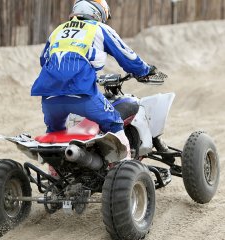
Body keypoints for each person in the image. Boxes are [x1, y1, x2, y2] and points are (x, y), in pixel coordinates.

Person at [31, 0, 156, 160]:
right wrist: (145, 70)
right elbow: (127, 56)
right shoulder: (99, 28)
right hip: (82, 94)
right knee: (115, 123)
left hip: (49, 97)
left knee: (56, 134)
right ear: (99, 12)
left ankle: (56, 173)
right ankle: (125, 168)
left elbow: (44, 60)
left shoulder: (57, 31)